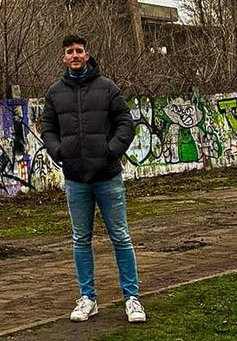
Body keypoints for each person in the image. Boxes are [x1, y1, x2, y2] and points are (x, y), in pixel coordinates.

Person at [40, 34, 146, 324]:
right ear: (64, 58)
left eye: (79, 51)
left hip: (107, 176)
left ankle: (132, 298)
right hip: (75, 178)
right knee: (81, 239)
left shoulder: (107, 88)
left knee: (120, 237)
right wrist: (58, 151)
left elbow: (125, 123)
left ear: (86, 55)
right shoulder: (55, 93)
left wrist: (110, 151)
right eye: (69, 51)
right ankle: (88, 298)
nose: (74, 55)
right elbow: (47, 127)